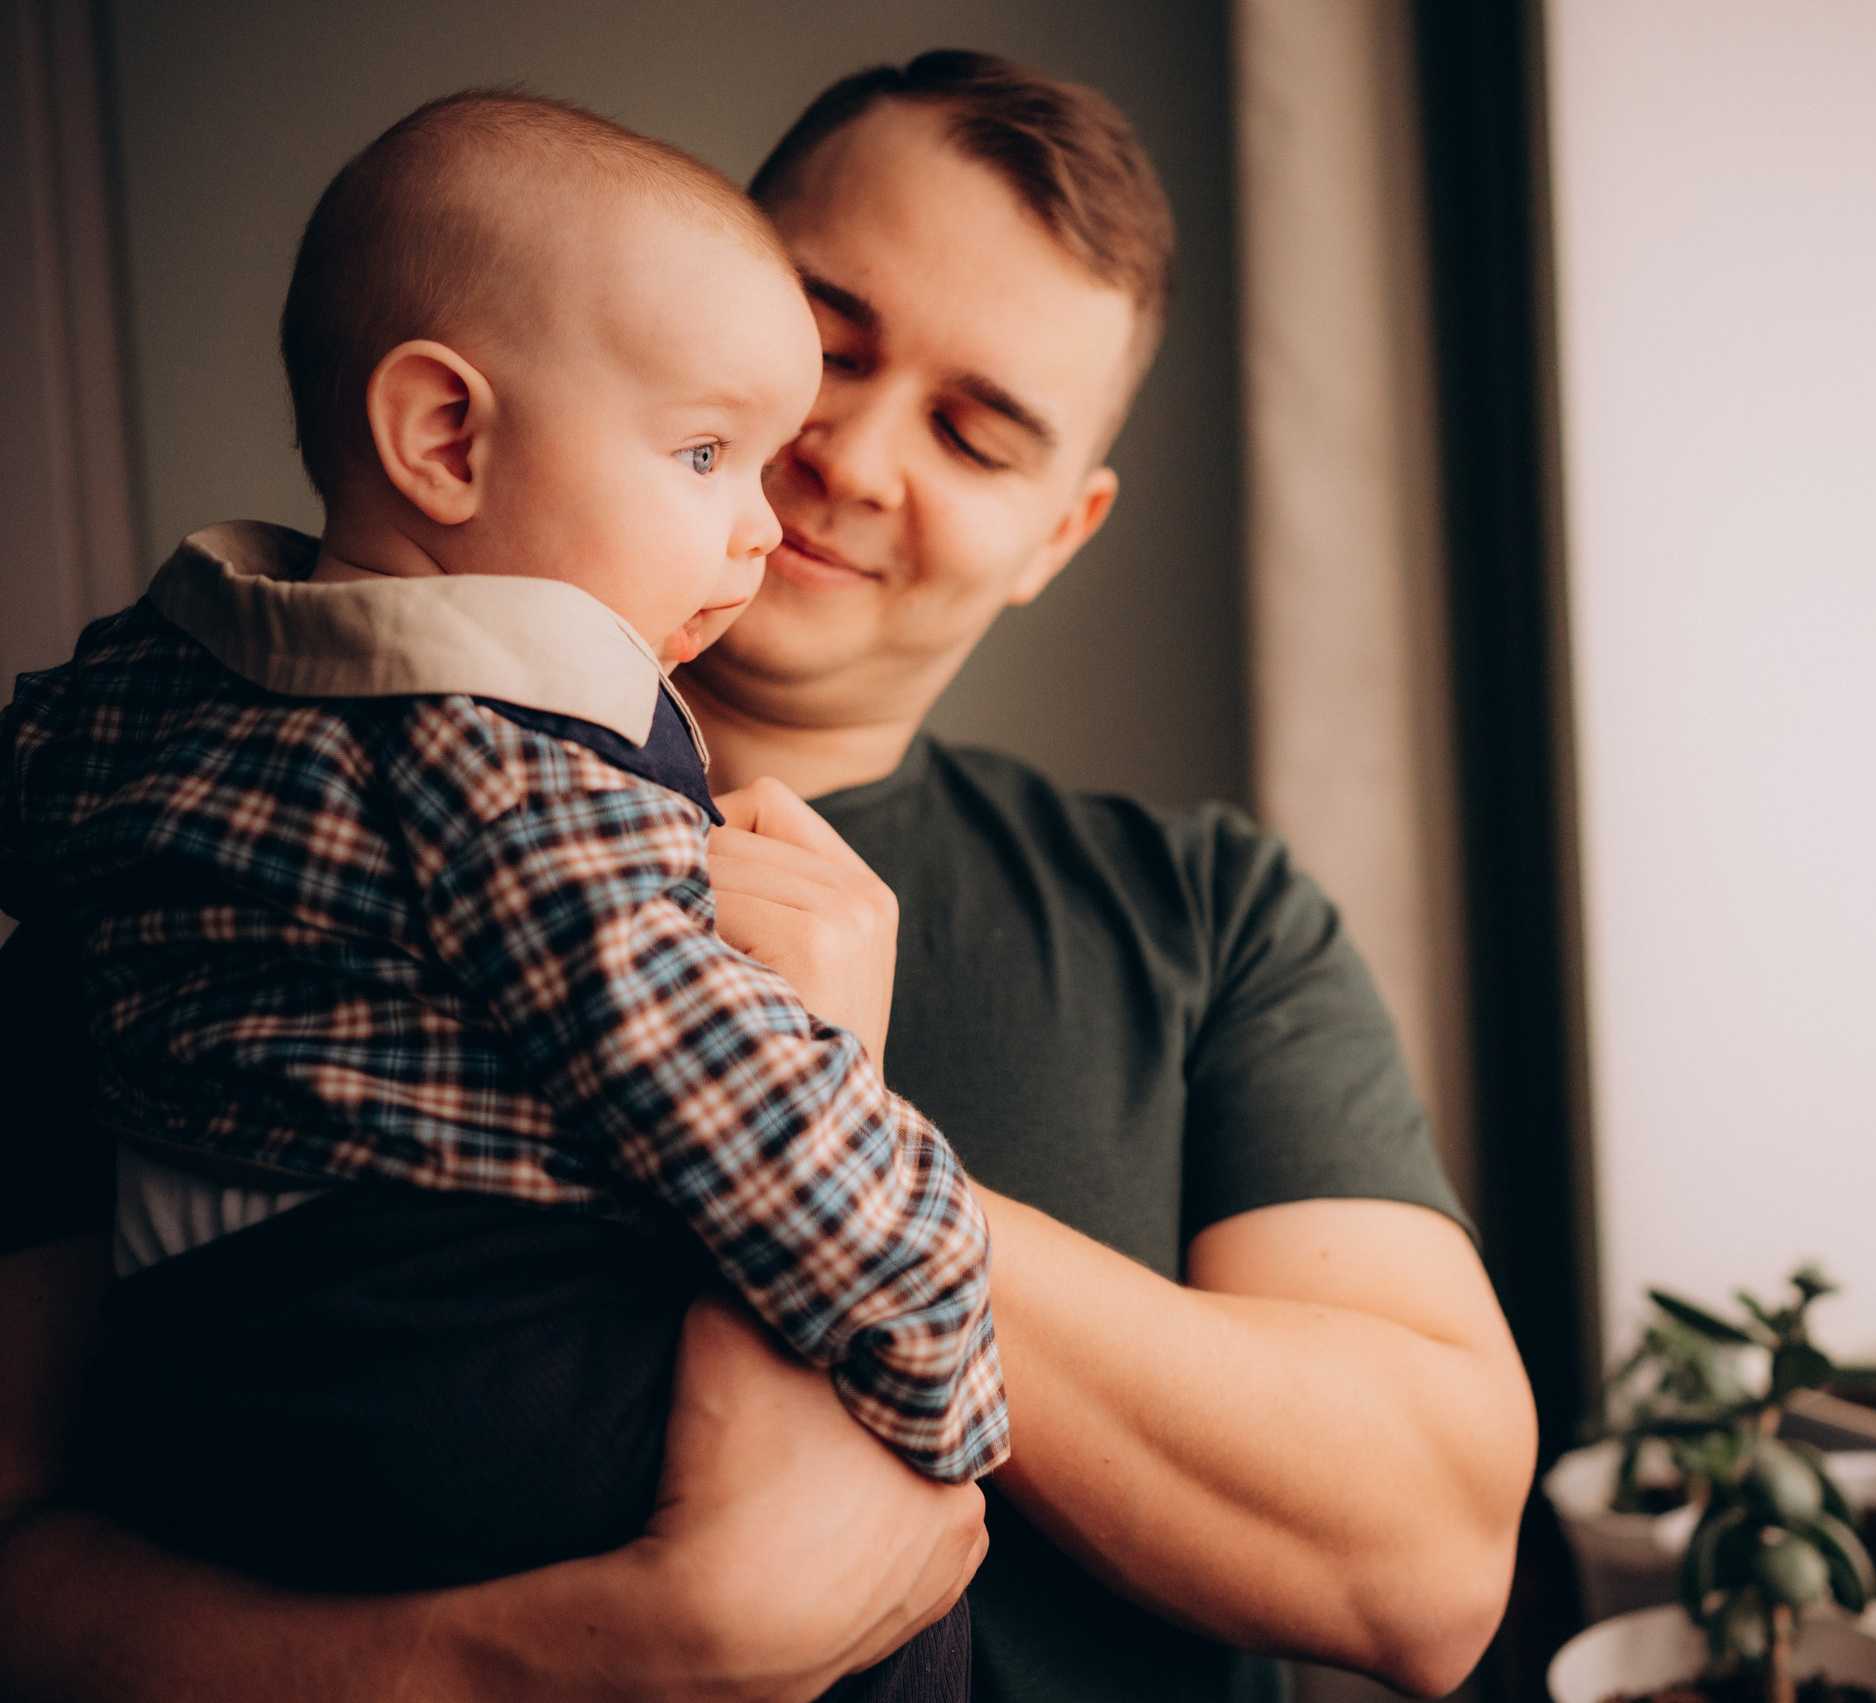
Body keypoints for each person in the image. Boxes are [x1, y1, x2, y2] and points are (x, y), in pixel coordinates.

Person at [0, 49, 1538, 1703]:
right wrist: (553, 1669)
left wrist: (817, 1093)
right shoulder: (220, 845)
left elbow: (1429, 1571)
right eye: (825, 348)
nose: (848, 457)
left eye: (973, 431)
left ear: (1059, 535)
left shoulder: (1209, 915)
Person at [0, 88, 1000, 1693]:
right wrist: (942, 1343)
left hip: (209, 1412)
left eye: (978, 427)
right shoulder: (520, 779)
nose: (766, 522)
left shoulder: (143, 697)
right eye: (705, 453)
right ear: (445, 438)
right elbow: (746, 1122)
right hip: (472, 1376)